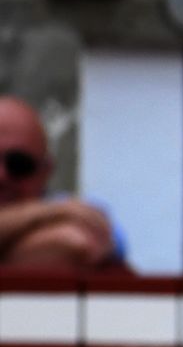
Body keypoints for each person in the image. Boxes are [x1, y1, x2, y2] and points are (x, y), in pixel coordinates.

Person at [0, 96, 121, 271]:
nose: (2, 175)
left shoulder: (74, 212)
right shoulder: (63, 211)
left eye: (19, 164)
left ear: (45, 170)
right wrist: (51, 212)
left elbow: (76, 243)